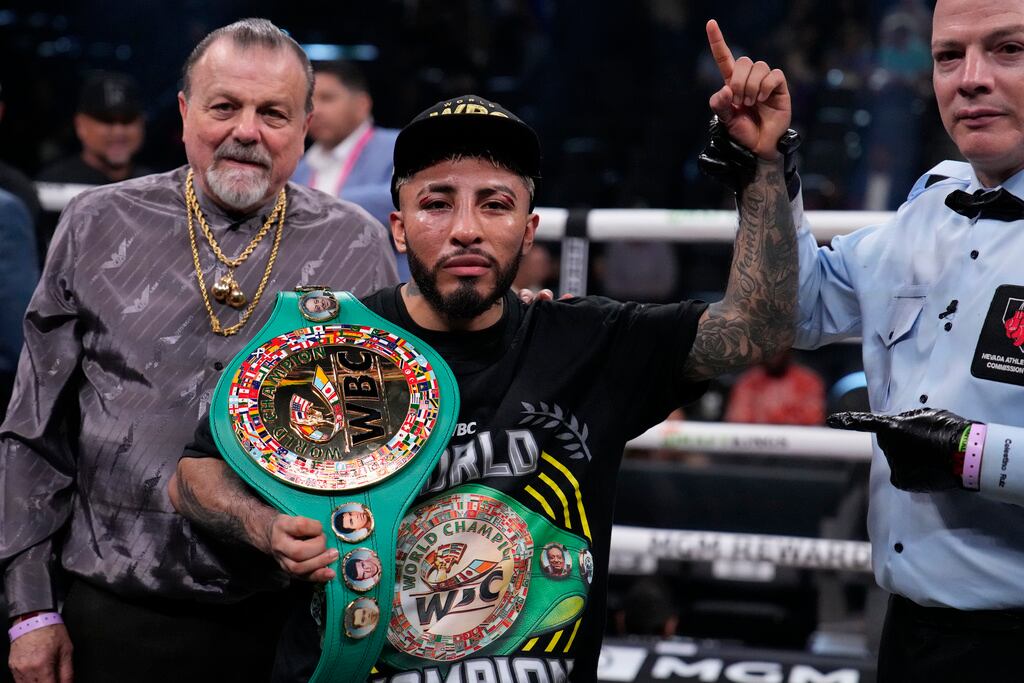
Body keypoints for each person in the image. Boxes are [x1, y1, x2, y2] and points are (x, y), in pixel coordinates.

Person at [171, 22, 798, 680]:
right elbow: (195, 475)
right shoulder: (327, 345)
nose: (465, 229)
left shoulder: (590, 342)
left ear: (528, 230)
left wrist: (762, 165)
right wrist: (265, 527)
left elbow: (760, 326)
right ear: (398, 227)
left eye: (494, 204)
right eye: (437, 203)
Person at [0, 18, 398, 683]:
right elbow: (34, 431)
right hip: (117, 615)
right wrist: (30, 610)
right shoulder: (97, 223)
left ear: (305, 128)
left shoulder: (354, 243)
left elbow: (378, 442)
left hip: (290, 621)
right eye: (224, 106)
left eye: (273, 113)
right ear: (185, 113)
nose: (247, 130)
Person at [755, 0, 1024, 679]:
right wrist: (766, 173)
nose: (970, 78)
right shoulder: (929, 207)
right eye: (948, 55)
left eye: (1009, 49)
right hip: (909, 631)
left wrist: (969, 453)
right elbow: (793, 312)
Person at [292, 61, 398, 230]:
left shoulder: (399, 145)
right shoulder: (298, 166)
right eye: (308, 103)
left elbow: (407, 197)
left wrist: (320, 203)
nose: (315, 111)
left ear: (362, 105)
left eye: (327, 98)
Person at [36, 71, 151, 186]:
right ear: (80, 125)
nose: (118, 131)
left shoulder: (154, 185)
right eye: (106, 120)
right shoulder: (52, 185)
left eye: (128, 120)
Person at [724, 350, 826, 425]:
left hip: (798, 443)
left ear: (789, 350)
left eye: (779, 349)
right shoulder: (747, 382)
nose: (774, 356)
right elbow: (738, 419)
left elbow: (813, 419)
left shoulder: (808, 381)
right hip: (756, 443)